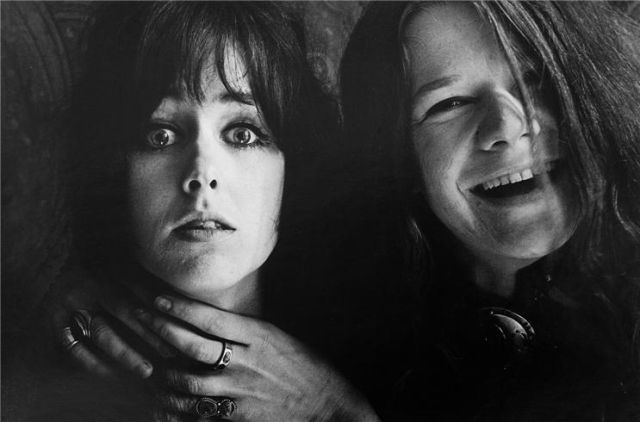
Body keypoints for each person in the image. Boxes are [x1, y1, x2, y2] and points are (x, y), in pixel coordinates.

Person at [29, 3, 382, 421]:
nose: (201, 174)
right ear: (111, 172)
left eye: (242, 133)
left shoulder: (390, 363)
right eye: (160, 135)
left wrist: (339, 412)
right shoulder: (39, 390)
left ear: (295, 167)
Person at [340, 1, 640, 421]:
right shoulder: (339, 326)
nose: (507, 127)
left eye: (535, 79)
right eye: (449, 104)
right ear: (400, 161)